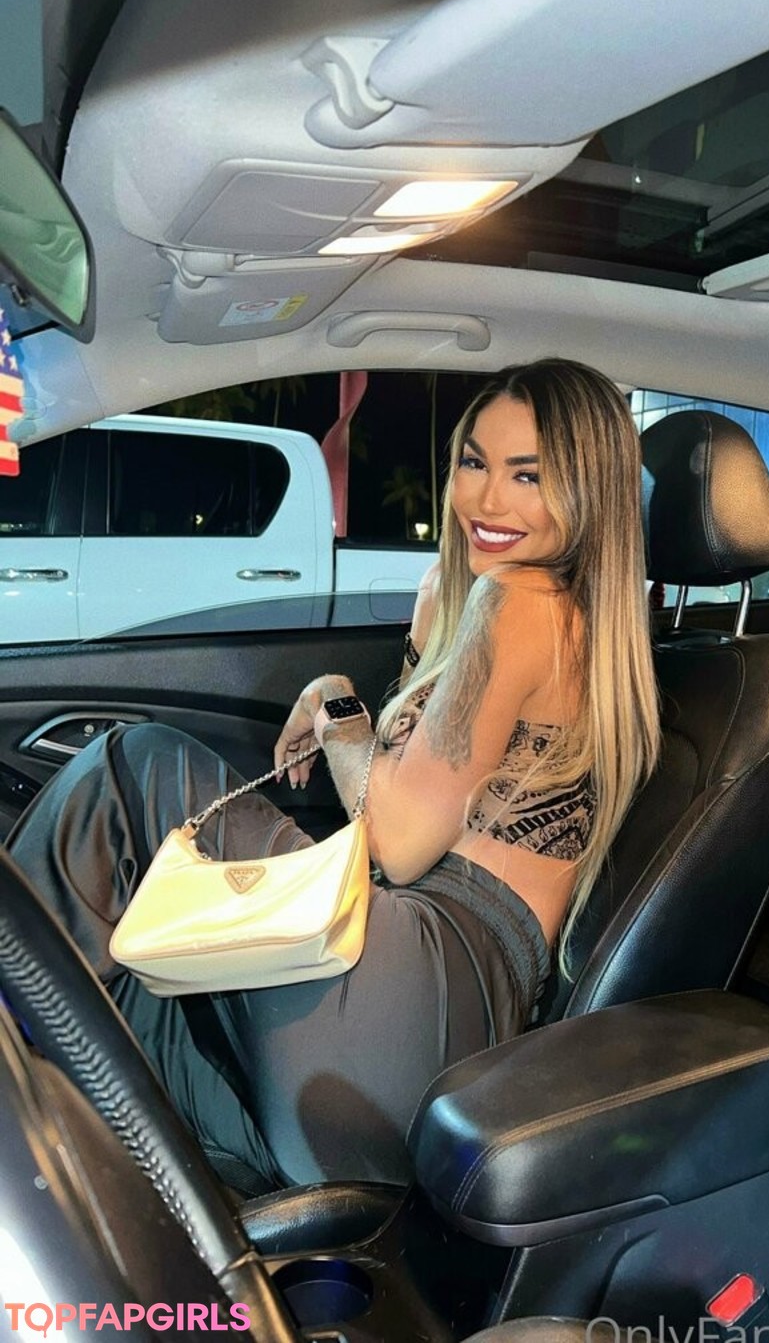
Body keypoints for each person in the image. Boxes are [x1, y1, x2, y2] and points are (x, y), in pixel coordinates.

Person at [6, 358, 660, 1192]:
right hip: (424, 1053)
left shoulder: (523, 602)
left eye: (527, 475)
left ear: (588, 491)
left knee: (136, 765)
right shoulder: (574, 630)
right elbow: (407, 783)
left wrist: (333, 703)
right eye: (474, 462)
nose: (487, 499)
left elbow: (396, 840)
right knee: (123, 1009)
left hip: (422, 983)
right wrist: (407, 650)